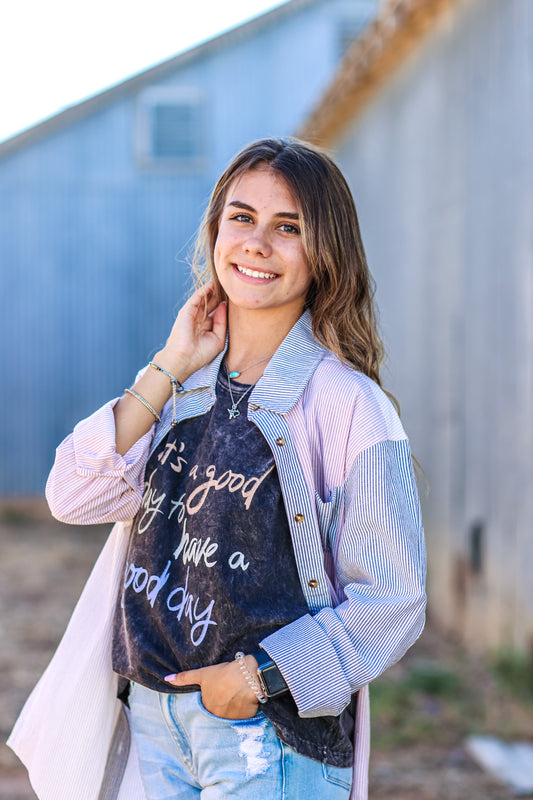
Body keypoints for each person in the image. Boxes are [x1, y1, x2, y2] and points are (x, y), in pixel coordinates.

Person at [8, 138, 426, 800]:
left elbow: (393, 598)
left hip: (267, 735)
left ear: (325, 253)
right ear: (214, 233)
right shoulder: (182, 386)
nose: (257, 242)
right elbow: (73, 495)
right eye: (241, 217)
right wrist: (169, 363)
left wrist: (257, 676)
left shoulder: (350, 406)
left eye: (287, 227)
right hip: (152, 719)